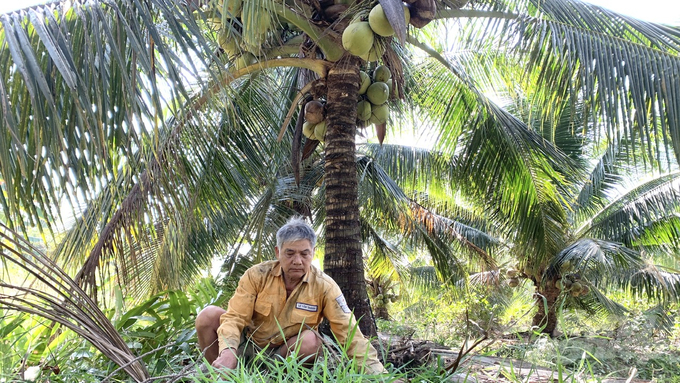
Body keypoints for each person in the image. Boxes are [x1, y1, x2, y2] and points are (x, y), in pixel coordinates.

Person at [195, 216, 389, 375]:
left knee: (311, 341)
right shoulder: (256, 275)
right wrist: (228, 351)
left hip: (284, 355)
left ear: (313, 252)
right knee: (208, 316)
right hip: (248, 347)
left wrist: (381, 377)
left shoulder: (325, 286)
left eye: (304, 254)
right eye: (290, 253)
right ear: (278, 252)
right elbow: (235, 317)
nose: (297, 261)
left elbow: (349, 332)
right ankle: (221, 375)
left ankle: (276, 378)